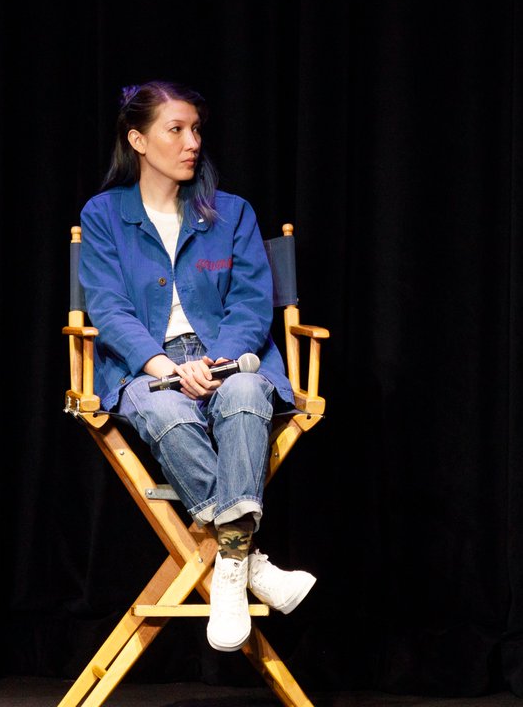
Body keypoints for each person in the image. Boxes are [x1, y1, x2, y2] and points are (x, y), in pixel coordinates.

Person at [79, 80, 316, 652]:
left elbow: (252, 302)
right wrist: (161, 361)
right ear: (137, 139)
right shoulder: (105, 214)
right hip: (143, 369)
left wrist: (223, 360)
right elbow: (106, 307)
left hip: (230, 360)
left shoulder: (230, 213)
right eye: (176, 129)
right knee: (165, 407)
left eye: (196, 130)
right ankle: (244, 562)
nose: (192, 142)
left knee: (244, 397)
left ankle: (227, 567)